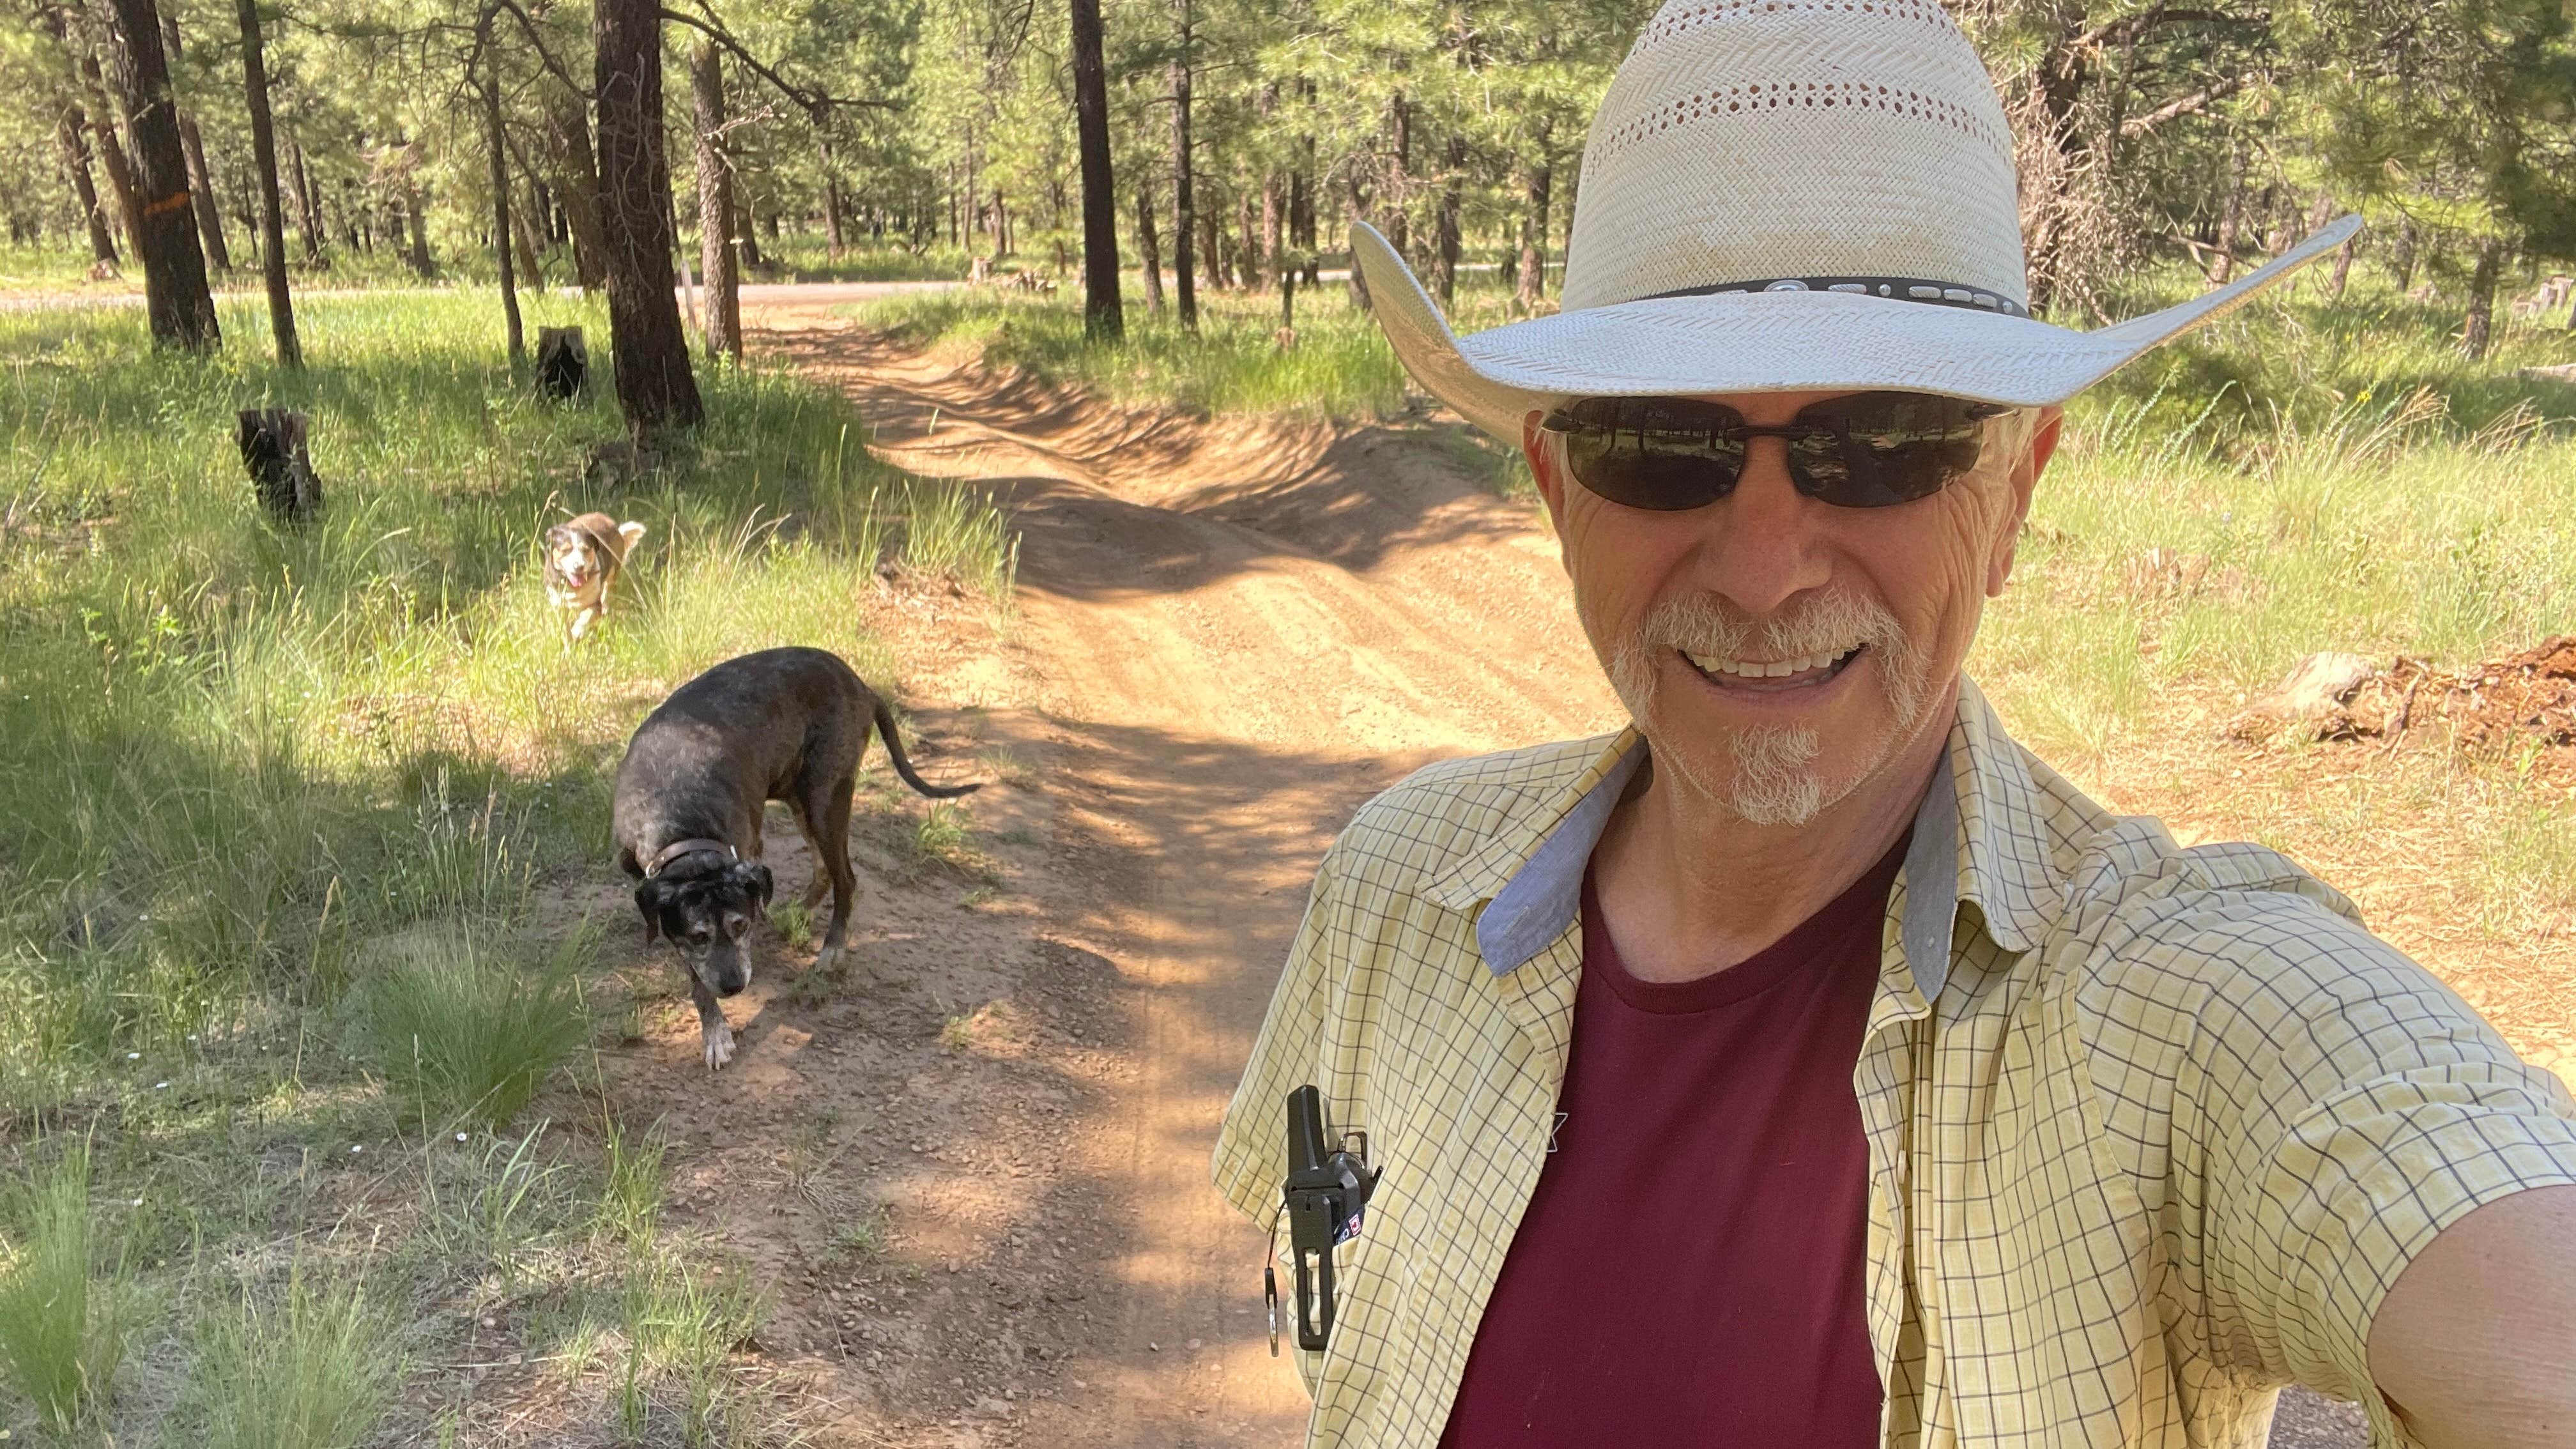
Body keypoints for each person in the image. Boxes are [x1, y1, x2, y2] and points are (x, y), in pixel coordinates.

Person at [1208, 3, 2576, 1446]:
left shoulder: (2179, 1011)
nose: (1763, 564)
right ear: (1557, 491)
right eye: (1661, 446)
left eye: (1880, 447)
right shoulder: (1395, 889)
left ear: (2014, 491)